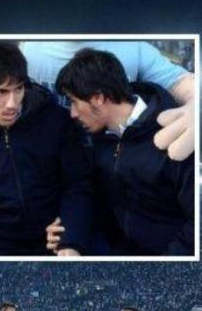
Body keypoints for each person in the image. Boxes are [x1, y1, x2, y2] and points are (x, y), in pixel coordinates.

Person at [0, 40, 195, 186]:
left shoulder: (133, 47)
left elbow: (181, 81)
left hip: (112, 164)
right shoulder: (31, 50)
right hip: (54, 168)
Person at [0, 42, 91, 256]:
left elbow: (79, 185)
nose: (12, 103)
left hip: (55, 246)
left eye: (18, 89)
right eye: (0, 92)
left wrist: (70, 237)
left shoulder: (56, 121)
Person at [51, 48, 193, 255]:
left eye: (74, 101)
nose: (71, 113)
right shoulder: (102, 138)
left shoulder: (178, 136)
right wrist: (70, 235)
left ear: (98, 98)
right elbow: (89, 192)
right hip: (117, 252)